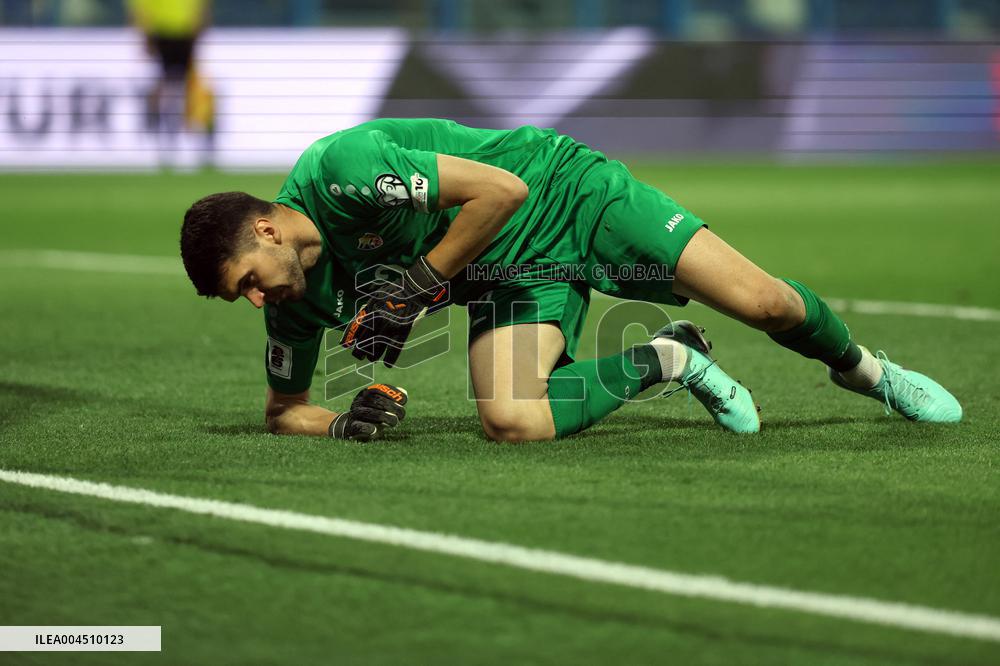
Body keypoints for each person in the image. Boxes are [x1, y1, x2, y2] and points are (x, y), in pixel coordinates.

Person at [179, 118, 962, 441]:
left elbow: (501, 193)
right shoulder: (292, 298)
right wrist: (341, 423)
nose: (255, 300)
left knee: (765, 302)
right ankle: (671, 357)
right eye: (237, 297)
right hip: (503, 266)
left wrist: (416, 286)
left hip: (560, 191)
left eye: (248, 278)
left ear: (270, 229)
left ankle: (867, 371)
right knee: (512, 420)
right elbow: (286, 410)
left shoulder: (341, 173)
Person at [129, 0, 214, 166]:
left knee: (183, 86)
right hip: (162, 33)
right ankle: (165, 132)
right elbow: (140, 9)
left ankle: (189, 133)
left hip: (183, 32)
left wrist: (201, 25)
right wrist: (144, 33)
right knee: (169, 87)